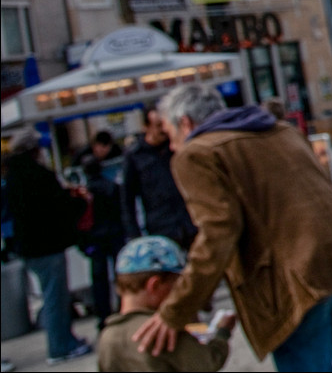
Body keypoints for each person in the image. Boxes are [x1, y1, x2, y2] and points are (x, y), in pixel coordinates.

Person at [131, 84, 332, 371]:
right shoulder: (278, 130)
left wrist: (176, 311)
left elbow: (217, 234)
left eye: (170, 135)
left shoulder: (197, 153)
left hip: (300, 278)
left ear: (185, 123)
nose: (171, 147)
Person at [4, 128, 92, 365]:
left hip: (30, 247)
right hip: (47, 245)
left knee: (53, 296)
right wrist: (76, 202)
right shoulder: (38, 175)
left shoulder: (13, 176)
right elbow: (57, 207)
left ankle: (64, 341)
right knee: (56, 297)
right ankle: (60, 345)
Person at [97, 235, 236, 372]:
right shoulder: (161, 330)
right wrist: (222, 332)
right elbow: (209, 361)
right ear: (155, 285)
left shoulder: (107, 337)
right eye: (177, 285)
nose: (179, 293)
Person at [122, 106, 198, 251]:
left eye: (164, 124)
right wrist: (134, 236)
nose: (163, 130)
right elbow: (127, 200)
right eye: (158, 126)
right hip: (162, 227)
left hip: (189, 222)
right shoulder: (135, 156)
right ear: (146, 127)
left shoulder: (175, 147)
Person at [80, 153, 126, 329]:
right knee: (119, 275)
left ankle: (103, 313)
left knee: (99, 279)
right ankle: (122, 307)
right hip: (113, 234)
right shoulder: (110, 187)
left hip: (96, 238)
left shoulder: (87, 192)